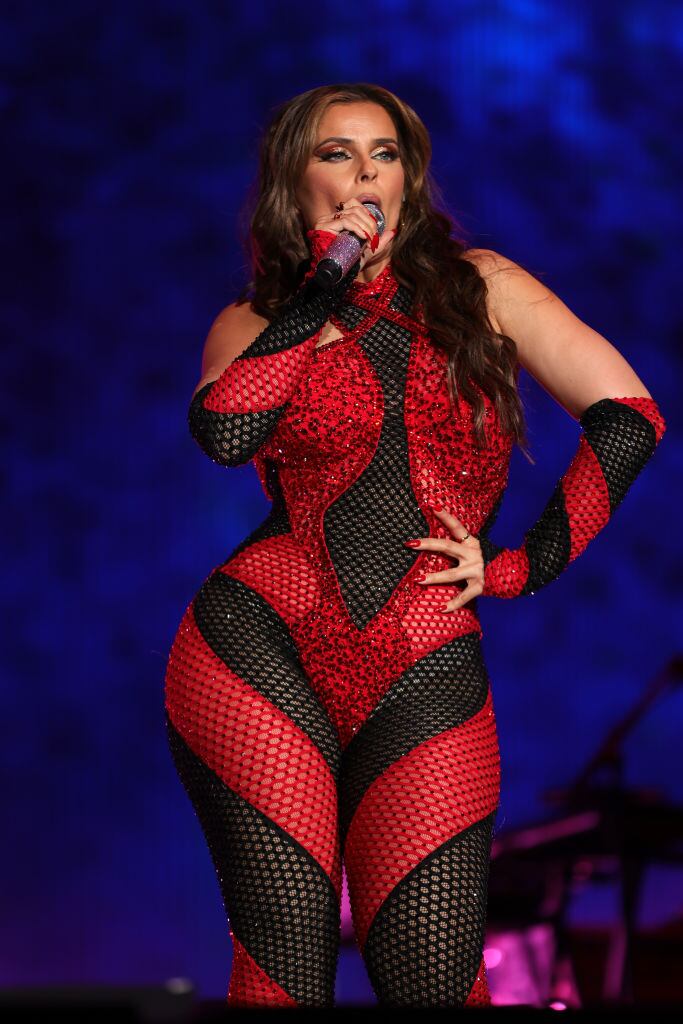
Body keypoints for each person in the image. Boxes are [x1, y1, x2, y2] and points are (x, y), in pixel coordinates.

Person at [163, 83, 666, 1008]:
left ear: (408, 176)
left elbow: (627, 414)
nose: (365, 174)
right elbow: (226, 433)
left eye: (384, 154)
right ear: (294, 182)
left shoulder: (483, 286)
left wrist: (523, 564)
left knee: (435, 982)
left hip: (424, 656)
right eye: (336, 154)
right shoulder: (254, 322)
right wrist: (323, 287)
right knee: (286, 967)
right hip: (259, 645)